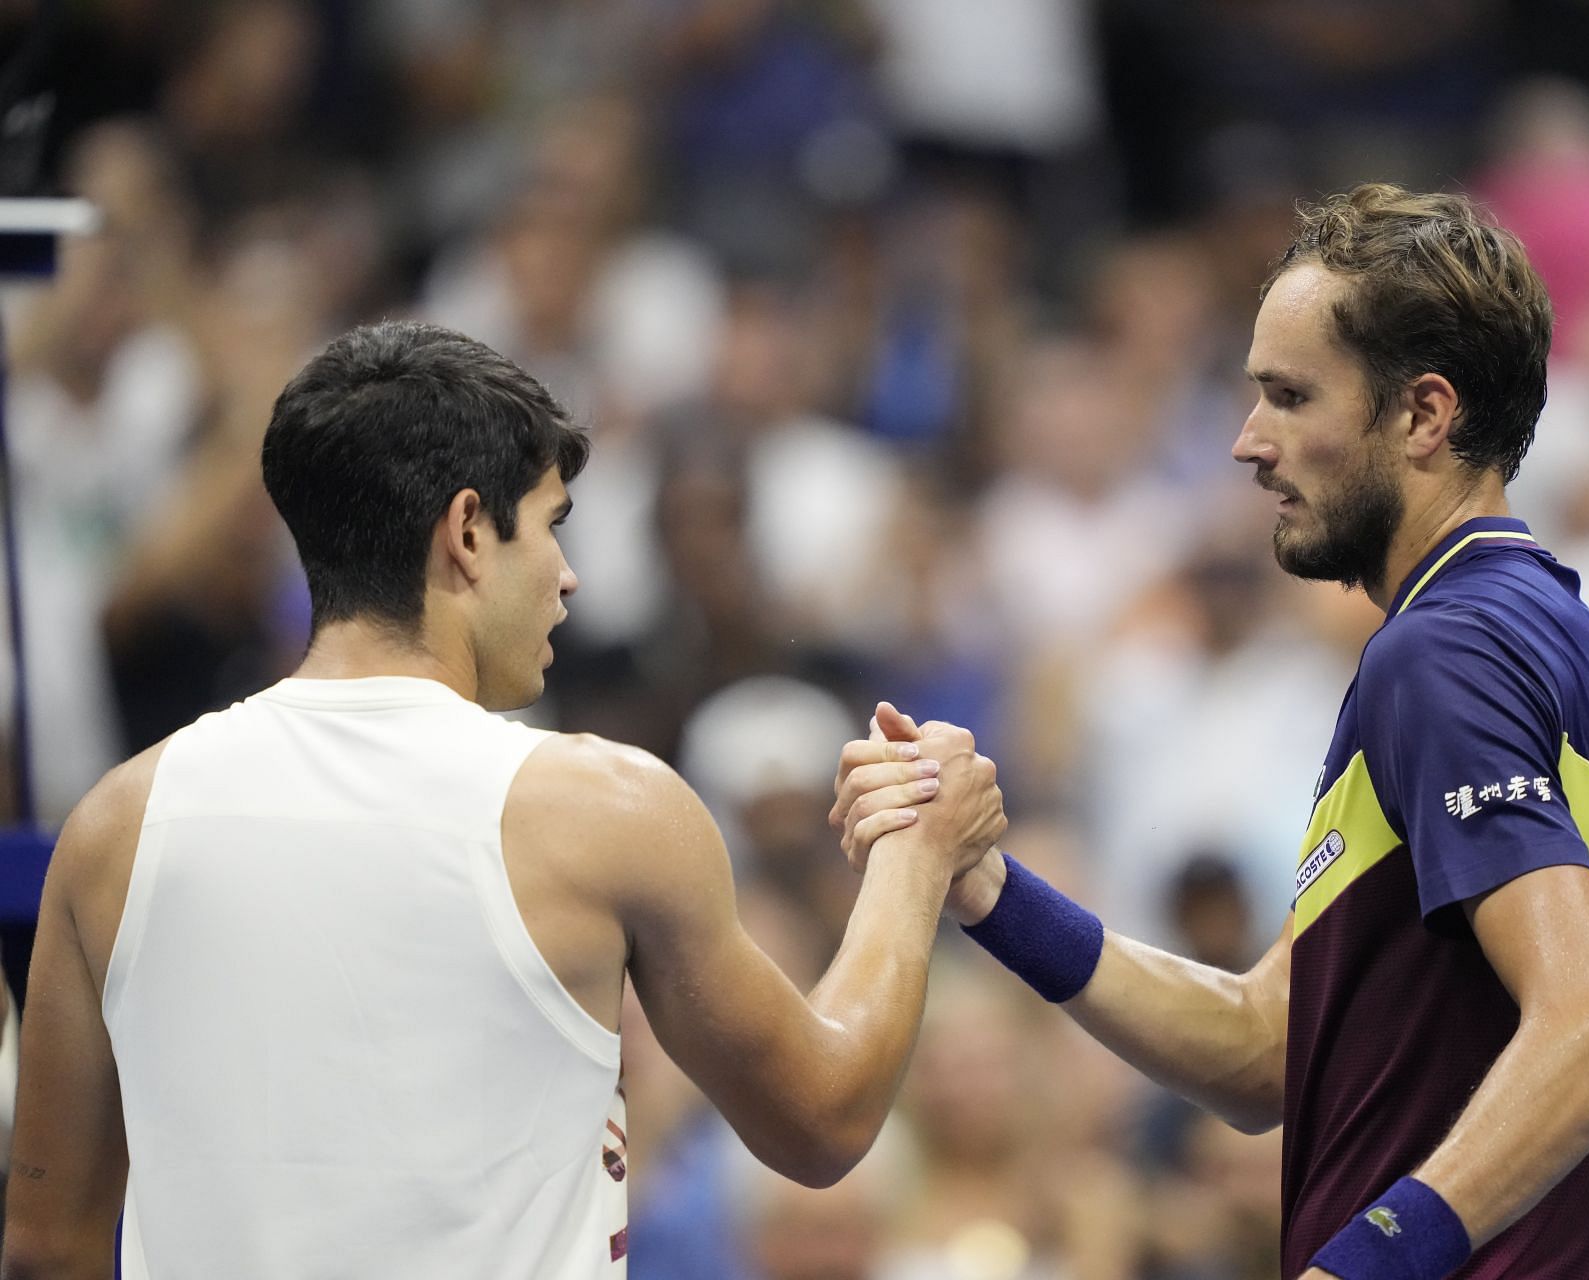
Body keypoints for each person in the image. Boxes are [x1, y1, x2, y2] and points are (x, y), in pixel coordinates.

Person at [0, 321, 1006, 1279]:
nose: (568, 577)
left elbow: (46, 1250)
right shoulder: (606, 810)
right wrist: (915, 855)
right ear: (470, 532)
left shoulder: (113, 825)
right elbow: (823, 1117)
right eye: (552, 526)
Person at [834, 184, 1589, 1278]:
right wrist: (989, 885)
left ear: (1424, 415)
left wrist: (1359, 1263)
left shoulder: (1444, 653)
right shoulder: (1555, 638)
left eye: (1290, 396)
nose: (1248, 443)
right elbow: (1267, 1043)